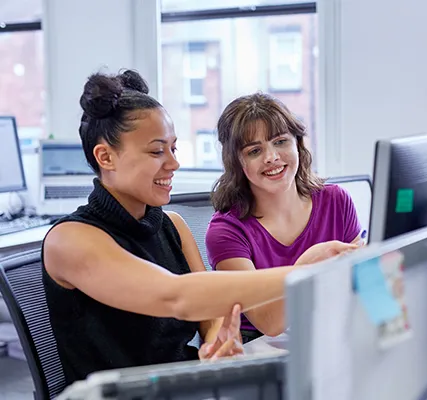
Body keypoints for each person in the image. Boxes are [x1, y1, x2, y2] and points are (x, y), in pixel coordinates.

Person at [41, 70, 356, 386]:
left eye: (173, 149)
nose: (173, 163)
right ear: (105, 157)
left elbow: (212, 318)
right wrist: (305, 269)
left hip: (181, 387)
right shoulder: (69, 240)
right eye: (156, 150)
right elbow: (176, 296)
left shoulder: (173, 227)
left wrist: (217, 345)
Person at [206, 93, 364, 344]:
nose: (271, 157)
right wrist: (307, 264)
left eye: (280, 141)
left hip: (326, 330)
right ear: (237, 162)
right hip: (260, 345)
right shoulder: (226, 231)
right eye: (254, 150)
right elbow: (270, 323)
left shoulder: (336, 201)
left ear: (297, 144)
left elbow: (363, 282)